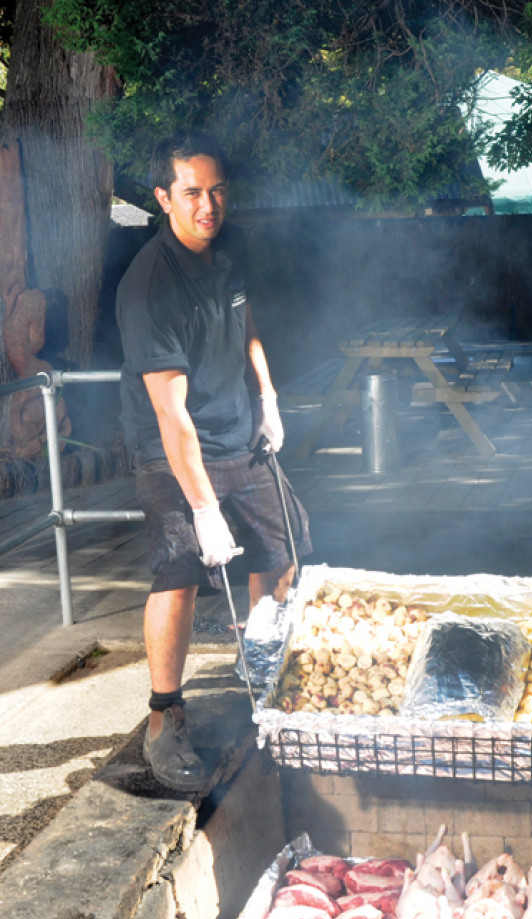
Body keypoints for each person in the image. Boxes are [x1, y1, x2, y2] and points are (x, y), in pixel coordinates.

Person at [117, 130, 311, 792]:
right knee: (178, 573)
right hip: (172, 449)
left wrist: (268, 396)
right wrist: (202, 509)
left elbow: (248, 323)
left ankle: (261, 670)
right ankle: (164, 716)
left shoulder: (229, 251)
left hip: (240, 432)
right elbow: (172, 417)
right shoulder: (149, 286)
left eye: (217, 190)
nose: (209, 205)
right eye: (193, 193)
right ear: (164, 198)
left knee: (280, 553)